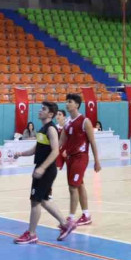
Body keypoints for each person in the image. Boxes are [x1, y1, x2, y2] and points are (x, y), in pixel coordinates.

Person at [12, 102, 69, 243]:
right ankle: (65, 224)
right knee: (43, 200)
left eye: (43, 109)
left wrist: (42, 168)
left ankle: (31, 234)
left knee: (35, 201)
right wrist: (20, 153)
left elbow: (56, 151)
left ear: (50, 114)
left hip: (46, 170)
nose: (40, 111)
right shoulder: (42, 129)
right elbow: (36, 149)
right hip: (42, 168)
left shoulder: (51, 129)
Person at [59, 93, 101, 230]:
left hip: (81, 157)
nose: (67, 104)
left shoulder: (85, 121)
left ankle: (70, 218)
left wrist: (97, 161)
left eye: (69, 101)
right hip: (70, 158)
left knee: (72, 187)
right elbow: (61, 142)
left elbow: (93, 142)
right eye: (66, 101)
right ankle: (86, 215)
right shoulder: (67, 123)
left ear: (77, 104)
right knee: (79, 185)